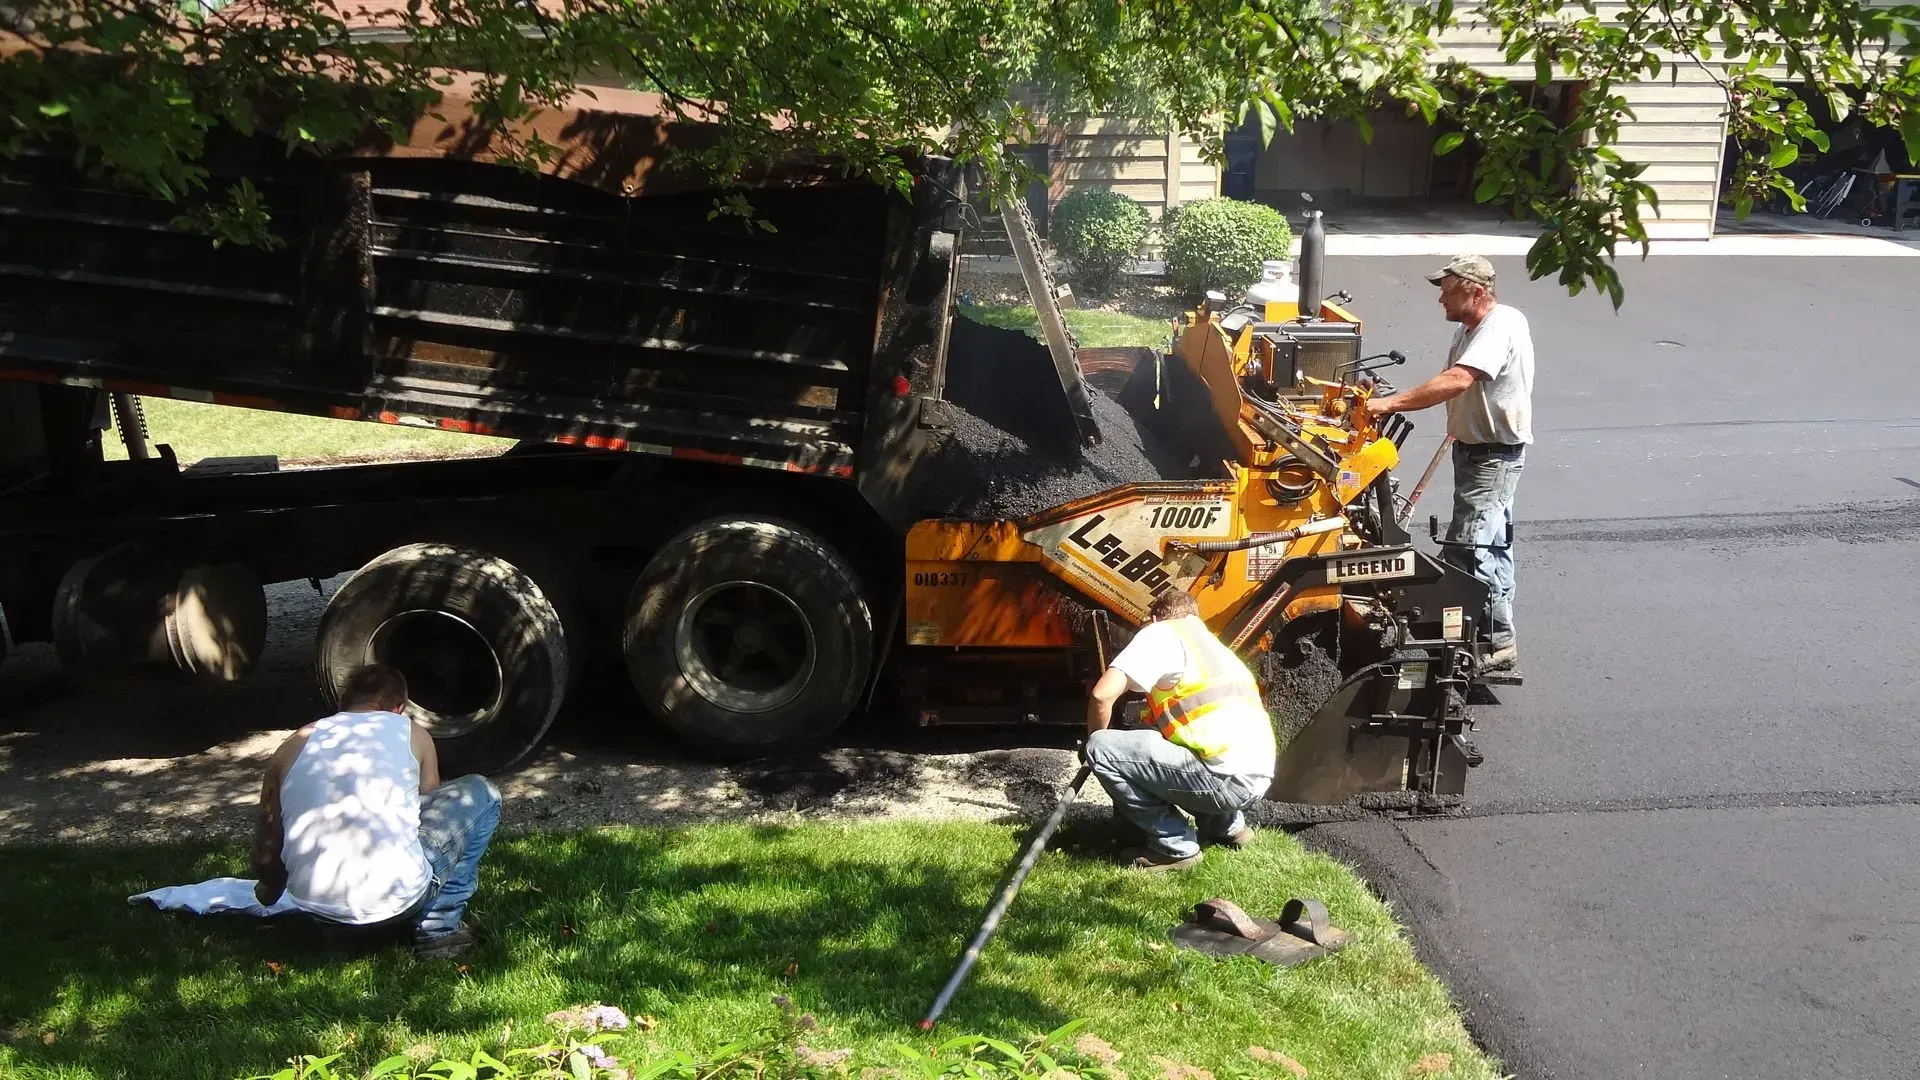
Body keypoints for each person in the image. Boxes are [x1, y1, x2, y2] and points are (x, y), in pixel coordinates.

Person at [250, 664, 501, 958]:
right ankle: (439, 930)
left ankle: (344, 933)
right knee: (482, 792)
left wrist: (270, 886)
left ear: (343, 705)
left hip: (316, 909)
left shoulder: (293, 744)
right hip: (399, 901)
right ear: (399, 708)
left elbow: (268, 842)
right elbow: (429, 804)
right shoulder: (412, 732)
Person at [1368, 253, 1533, 670]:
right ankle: (1489, 634)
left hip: (1492, 456)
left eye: (1448, 291)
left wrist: (1387, 405)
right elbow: (1457, 385)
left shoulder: (1500, 326)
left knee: (1471, 547)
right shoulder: (1469, 328)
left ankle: (1494, 644)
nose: (1441, 298)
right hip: (1474, 449)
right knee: (1493, 544)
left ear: (1475, 292)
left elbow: (1457, 380)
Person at [1083, 590, 1277, 871]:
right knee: (1172, 750)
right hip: (1252, 777)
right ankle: (1230, 828)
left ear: (1154, 618)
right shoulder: (1214, 647)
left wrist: (1093, 746)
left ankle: (1175, 847)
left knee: (1101, 747)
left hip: (1224, 781)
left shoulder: (1159, 633)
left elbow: (1102, 696)